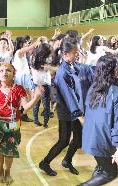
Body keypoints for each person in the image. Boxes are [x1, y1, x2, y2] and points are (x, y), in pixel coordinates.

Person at [0, 63, 42, 184]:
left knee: (10, 151)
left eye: (8, 70)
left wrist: (36, 98)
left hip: (13, 125)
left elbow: (26, 107)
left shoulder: (18, 89)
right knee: (0, 150)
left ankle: (7, 171)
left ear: (14, 74)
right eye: (1, 71)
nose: (4, 73)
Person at [39, 38, 84, 176]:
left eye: (78, 51)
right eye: (75, 52)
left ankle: (67, 160)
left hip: (77, 109)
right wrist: (81, 117)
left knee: (78, 139)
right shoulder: (62, 72)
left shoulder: (74, 66)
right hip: (67, 110)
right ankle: (45, 162)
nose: (78, 54)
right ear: (65, 54)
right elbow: (68, 96)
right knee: (64, 140)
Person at [80, 54, 118, 186]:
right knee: (110, 173)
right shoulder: (115, 92)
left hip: (91, 138)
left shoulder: (94, 87)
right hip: (102, 141)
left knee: (101, 167)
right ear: (114, 70)